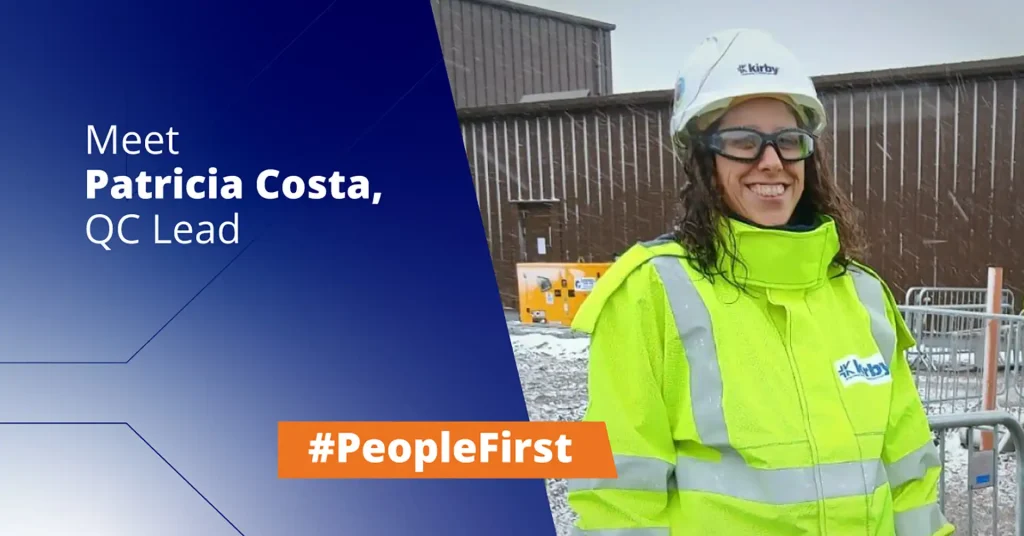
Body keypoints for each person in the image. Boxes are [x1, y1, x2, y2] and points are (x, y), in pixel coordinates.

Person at [566, 28, 954, 535]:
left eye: (788, 141)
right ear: (702, 159)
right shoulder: (650, 292)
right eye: (743, 142)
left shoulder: (862, 295)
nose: (771, 161)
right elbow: (619, 496)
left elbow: (910, 477)